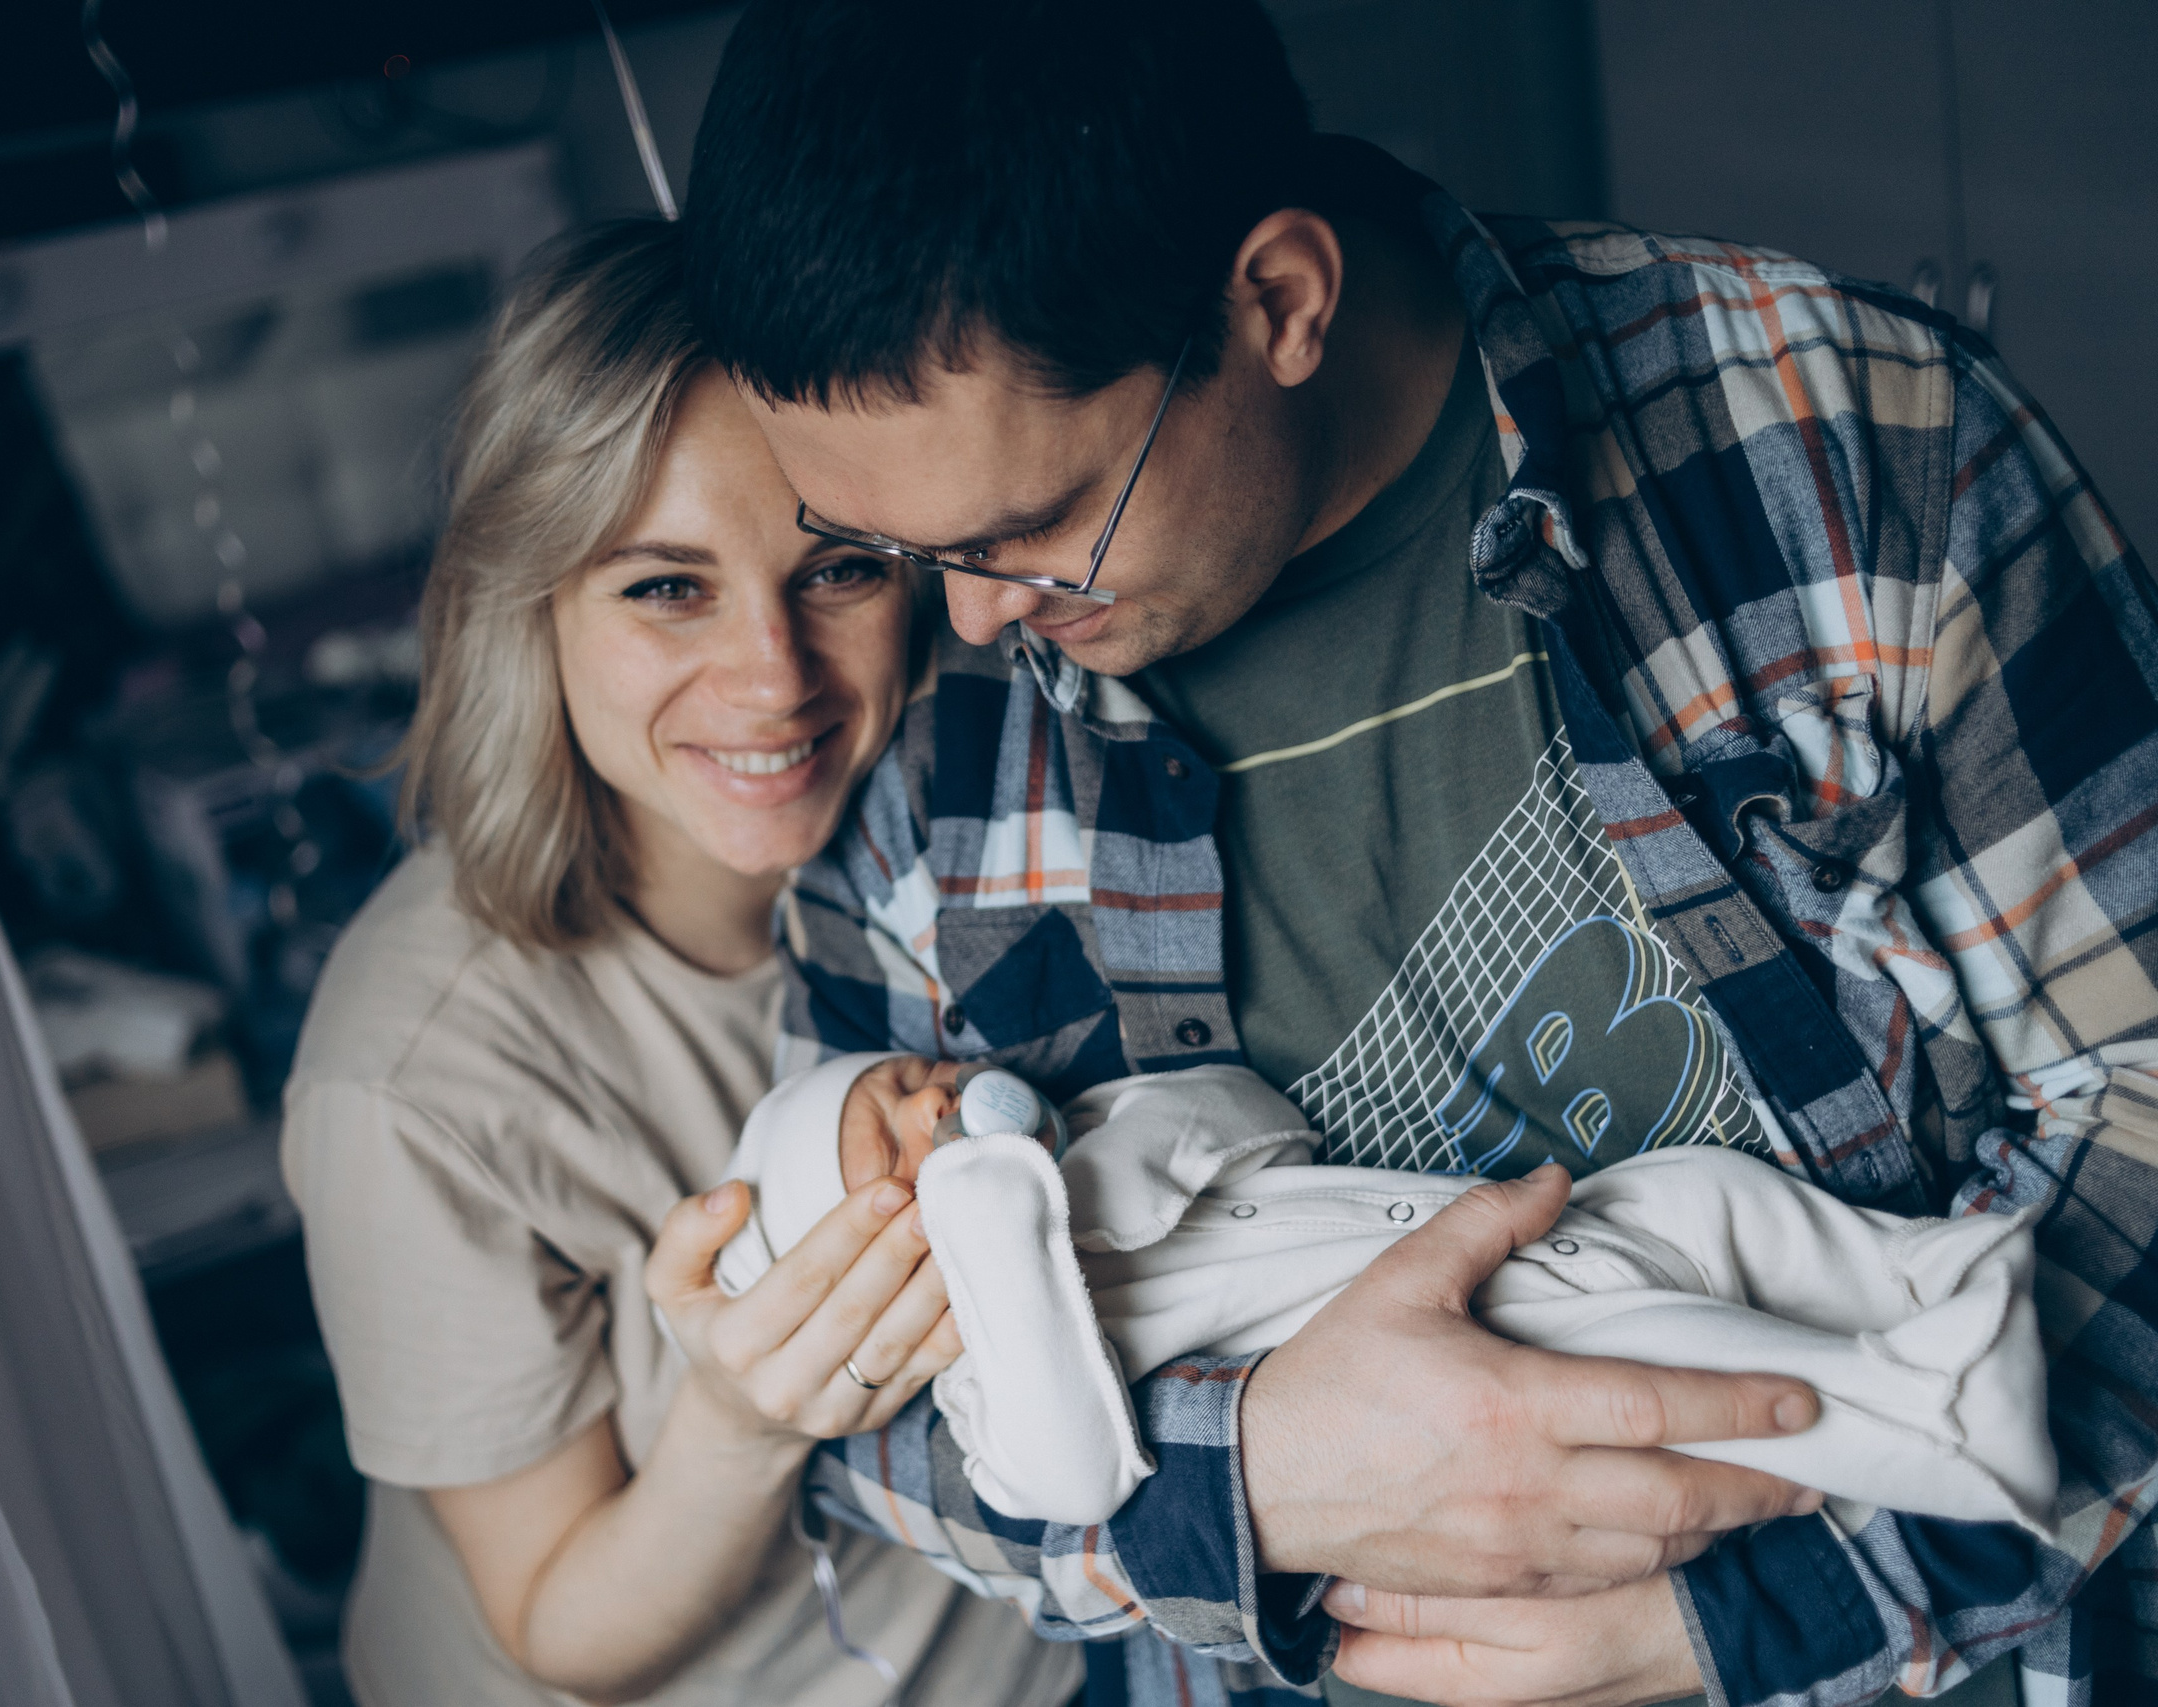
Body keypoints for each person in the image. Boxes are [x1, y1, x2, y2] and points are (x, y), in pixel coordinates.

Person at [676, 2, 2158, 1704]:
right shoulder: (928, 733)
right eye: (877, 541)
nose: (972, 618)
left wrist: (1744, 1621)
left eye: (1028, 529)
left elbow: (2142, 1099)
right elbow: (866, 1428)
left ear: (1279, 301)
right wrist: (1255, 1482)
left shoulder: (1848, 452)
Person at [278, 219, 1081, 1707]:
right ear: (531, 603)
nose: (773, 678)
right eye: (667, 587)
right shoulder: (411, 1077)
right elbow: (560, 1623)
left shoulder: (1013, 822)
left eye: (836, 569)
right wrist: (743, 1420)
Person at [717, 1053, 2052, 1537]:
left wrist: (1067, 1151)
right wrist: (989, 1217)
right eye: (892, 1159)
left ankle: (1929, 1275)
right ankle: (1951, 1423)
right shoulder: (990, 1396)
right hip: (1497, 1337)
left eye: (920, 1079)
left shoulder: (1097, 1141)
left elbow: (1256, 1119)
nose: (939, 1114)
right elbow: (1075, 1480)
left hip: (1558, 1222)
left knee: (1715, 1196)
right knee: (1694, 1374)